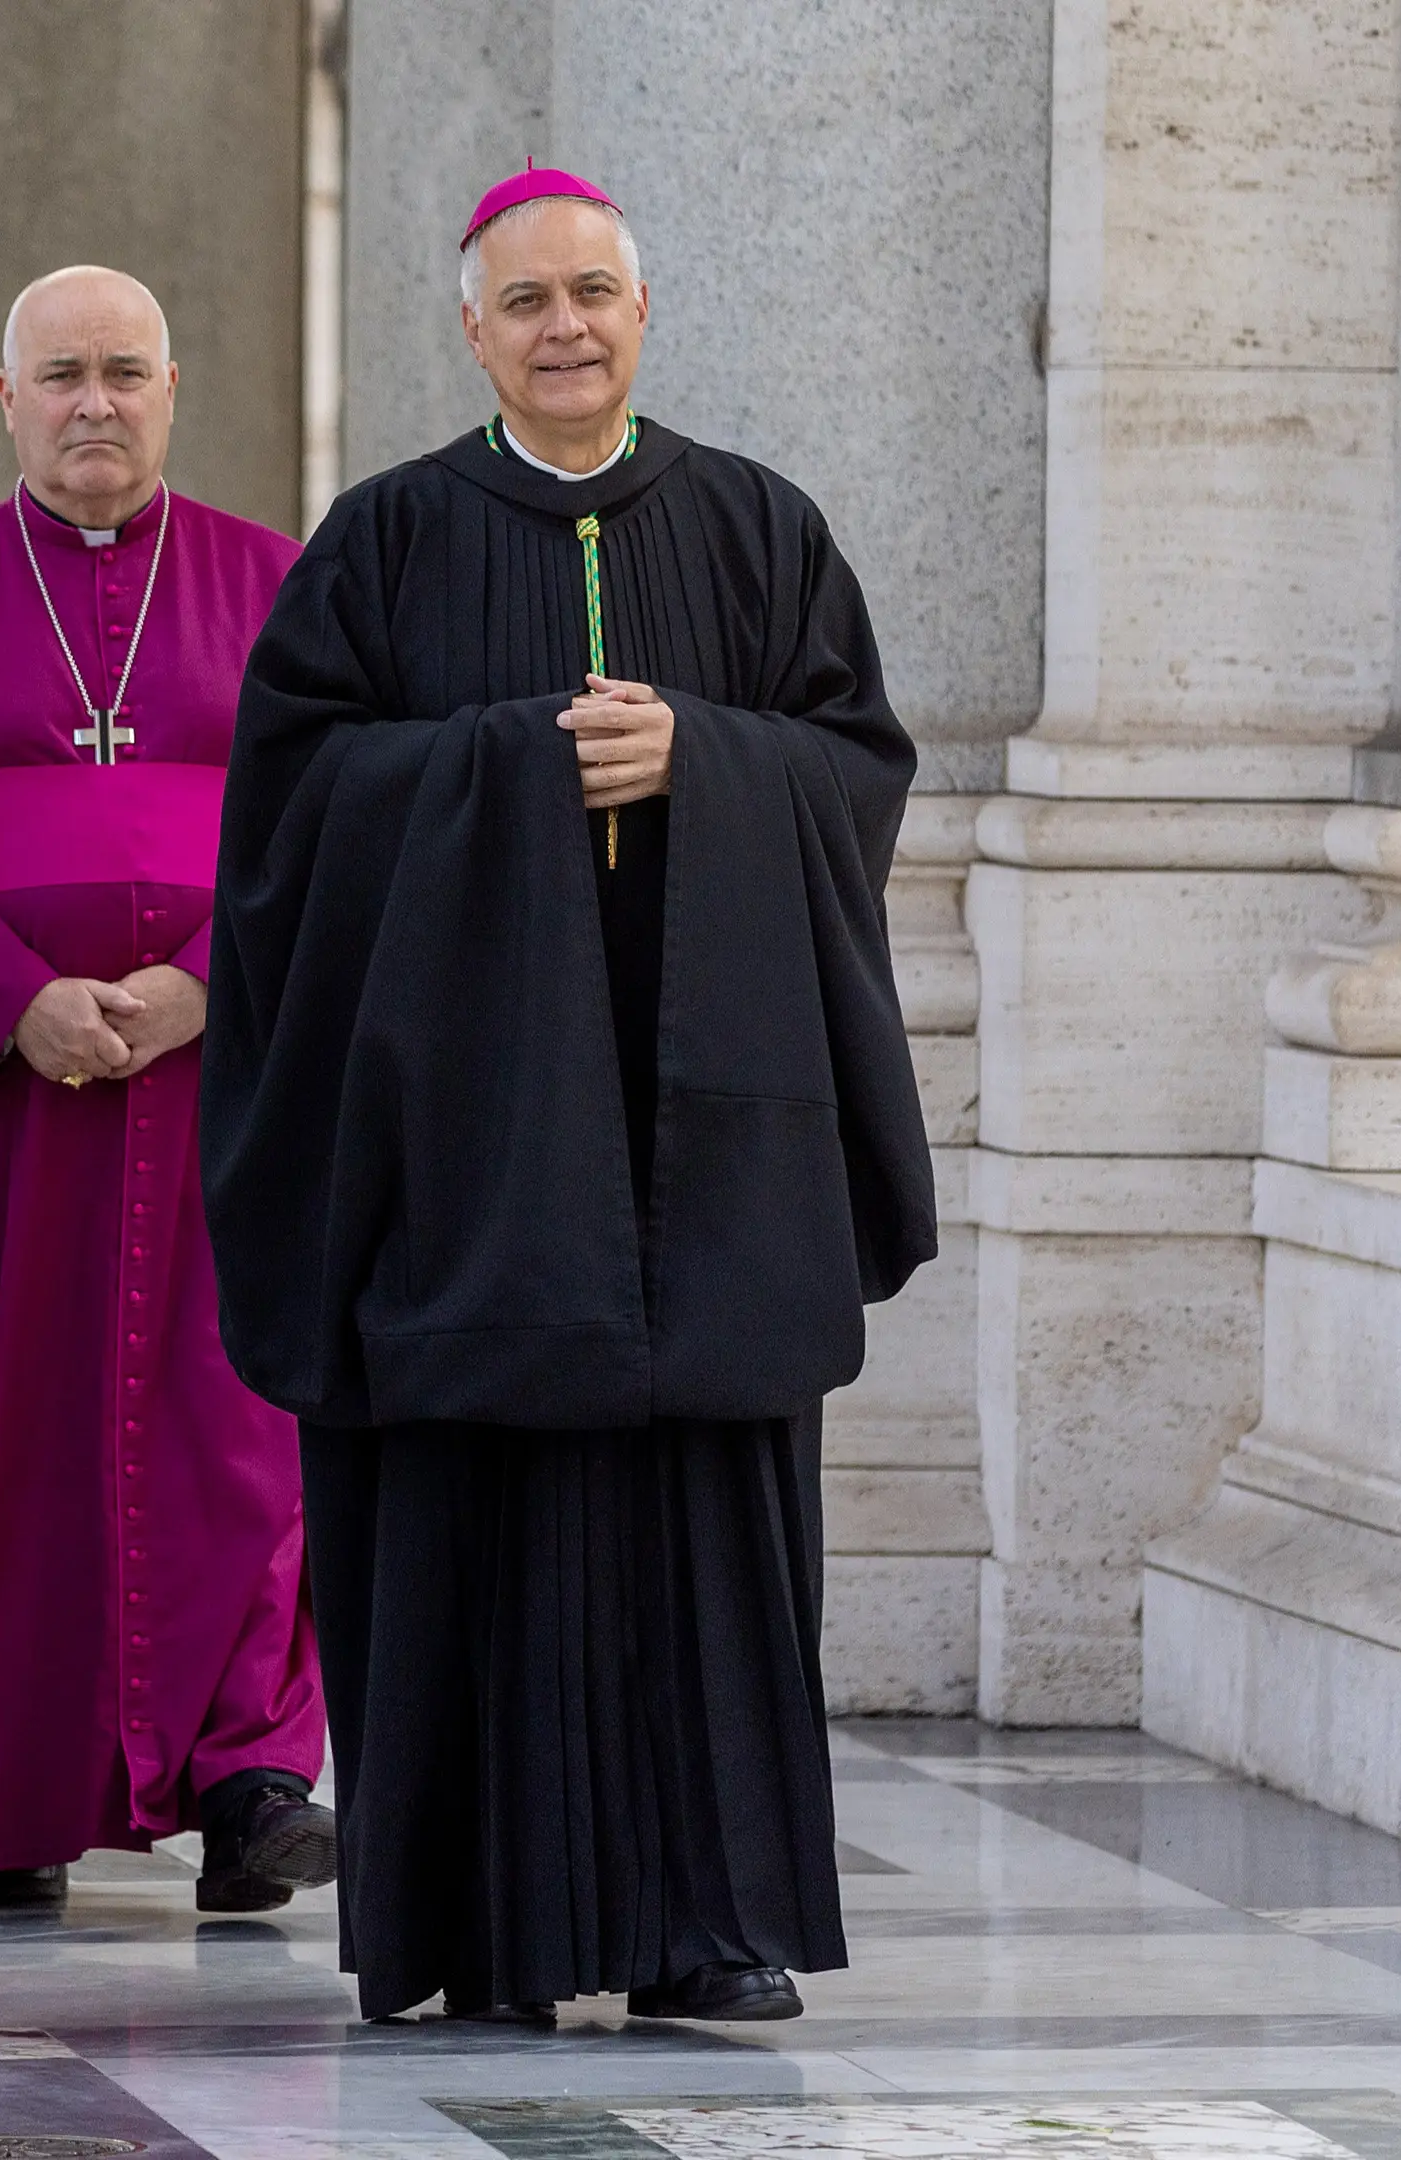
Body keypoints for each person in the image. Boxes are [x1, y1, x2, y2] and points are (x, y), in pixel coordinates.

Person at [200, 168, 932, 2026]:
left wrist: (709, 761)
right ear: (472, 330)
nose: (565, 328)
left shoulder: (765, 532)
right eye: (526, 301)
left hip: (712, 1144)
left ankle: (712, 1924)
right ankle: (477, 1932)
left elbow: (858, 768)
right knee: (473, 1516)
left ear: (644, 306)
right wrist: (523, 776)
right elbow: (288, 823)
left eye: (594, 292)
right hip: (469, 1155)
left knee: (711, 1521)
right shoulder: (380, 545)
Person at [0, 267, 332, 1917]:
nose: (95, 403)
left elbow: (327, 835)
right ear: (4, 398)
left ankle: (253, 1779)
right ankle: (5, 1798)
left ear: (175, 386)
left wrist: (208, 980)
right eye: (61, 374)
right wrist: (14, 999)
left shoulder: (285, 589)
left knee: (231, 1434)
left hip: (220, 1086)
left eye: (125, 370)